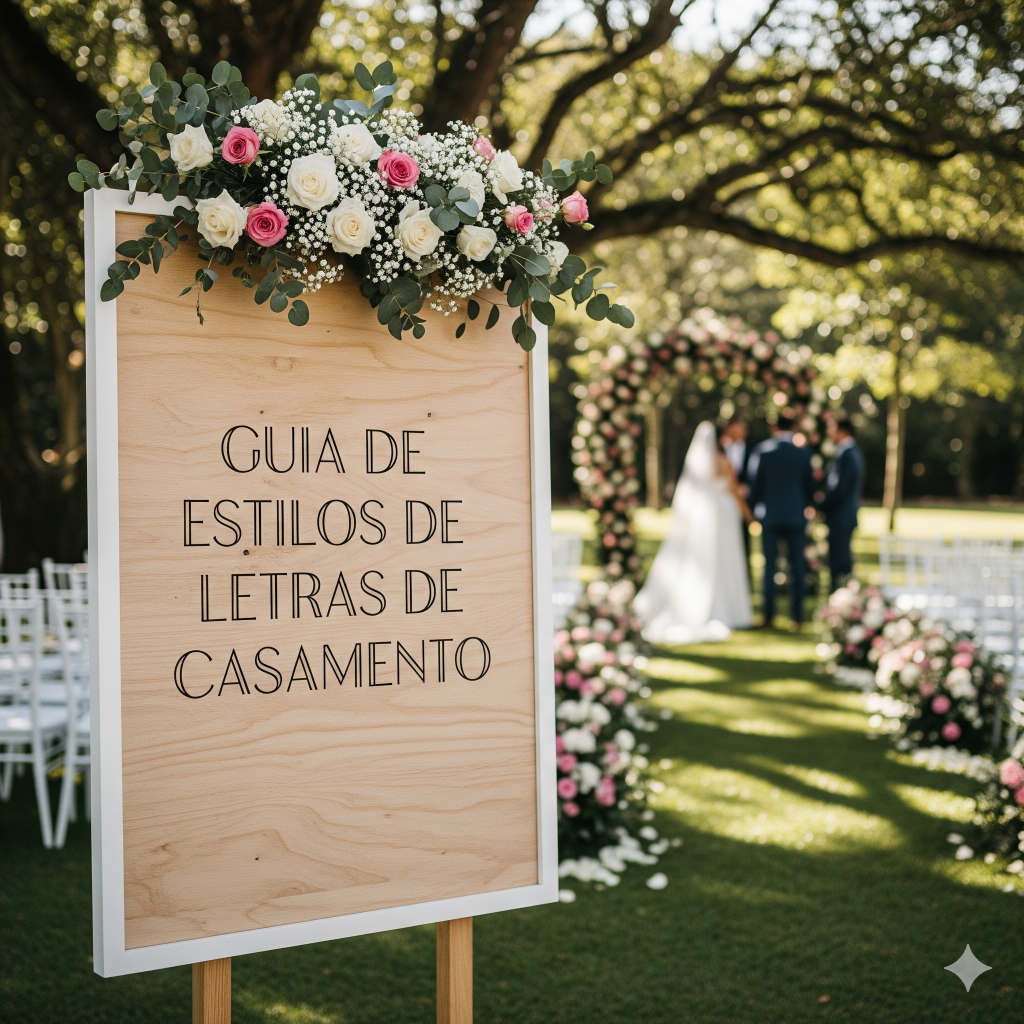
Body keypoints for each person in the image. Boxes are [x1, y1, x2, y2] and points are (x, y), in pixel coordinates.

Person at [634, 421, 753, 643]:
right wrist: (749, 516)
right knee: (726, 559)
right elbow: (734, 490)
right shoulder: (723, 460)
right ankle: (730, 608)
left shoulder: (701, 463)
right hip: (725, 514)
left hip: (708, 515)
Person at [748, 411, 814, 630]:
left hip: (770, 517)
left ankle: (769, 617)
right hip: (796, 517)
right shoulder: (802, 454)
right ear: (793, 428)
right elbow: (810, 487)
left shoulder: (762, 452)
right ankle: (797, 617)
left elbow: (755, 485)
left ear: (774, 427)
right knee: (797, 567)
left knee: (769, 566)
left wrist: (753, 510)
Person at [820, 412, 864, 592]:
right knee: (838, 558)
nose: (829, 432)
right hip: (842, 516)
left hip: (842, 516)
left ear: (843, 431)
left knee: (841, 560)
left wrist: (823, 506)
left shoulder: (848, 456)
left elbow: (840, 489)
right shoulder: (847, 454)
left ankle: (842, 597)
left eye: (832, 428)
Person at [720, 418, 753, 577]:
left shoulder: (753, 450)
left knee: (743, 543)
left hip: (745, 501)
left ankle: (743, 576)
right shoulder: (718, 450)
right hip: (723, 504)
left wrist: (748, 488)